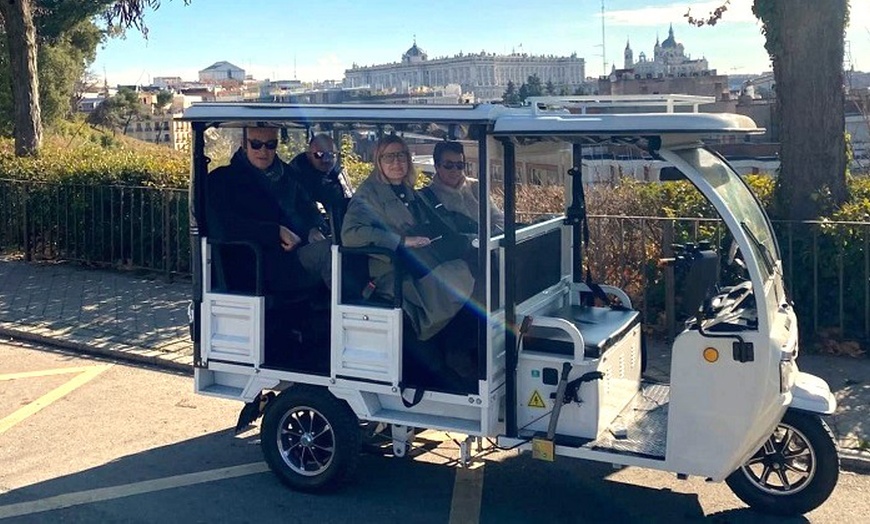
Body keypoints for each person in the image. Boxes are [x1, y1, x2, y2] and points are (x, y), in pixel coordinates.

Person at [341, 135, 474, 390]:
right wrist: (400, 241)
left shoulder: (408, 190)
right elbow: (351, 234)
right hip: (393, 272)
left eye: (401, 155)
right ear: (378, 161)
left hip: (422, 262)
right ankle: (453, 360)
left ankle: (464, 356)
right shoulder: (367, 195)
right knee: (464, 281)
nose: (397, 162)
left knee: (473, 272)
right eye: (389, 157)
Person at [206, 126, 331, 293]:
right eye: (256, 144)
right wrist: (275, 231)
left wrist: (313, 228)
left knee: (339, 248)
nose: (263, 151)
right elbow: (223, 226)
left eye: (271, 145)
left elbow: (308, 208)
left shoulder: (289, 175)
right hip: (253, 263)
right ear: (244, 144)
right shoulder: (223, 180)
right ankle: (356, 305)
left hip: (293, 254)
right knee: (329, 253)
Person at [421, 141, 504, 235]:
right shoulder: (427, 197)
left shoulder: (476, 187)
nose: (455, 170)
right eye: (449, 165)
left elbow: (499, 219)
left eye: (460, 165)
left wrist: (488, 239)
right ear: (437, 167)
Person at [286, 134, 353, 238]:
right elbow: (300, 208)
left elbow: (343, 203)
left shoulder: (335, 173)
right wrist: (314, 228)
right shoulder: (294, 177)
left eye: (331, 154)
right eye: (320, 154)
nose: (326, 160)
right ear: (309, 155)